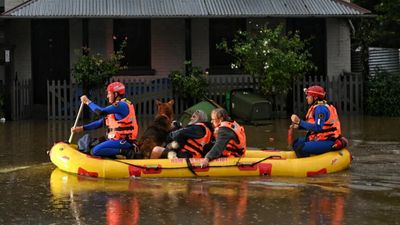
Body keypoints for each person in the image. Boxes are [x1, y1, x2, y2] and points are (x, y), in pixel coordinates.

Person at [71, 82, 140, 159]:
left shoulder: (121, 105)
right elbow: (101, 122)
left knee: (95, 151)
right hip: (116, 140)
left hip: (124, 141)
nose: (107, 96)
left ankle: (125, 151)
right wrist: (81, 128)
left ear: (116, 94)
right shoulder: (117, 107)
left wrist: (88, 102)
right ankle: (116, 153)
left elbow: (101, 112)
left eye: (109, 94)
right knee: (92, 146)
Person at [290, 85, 347, 158]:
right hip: (319, 138)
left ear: (315, 97)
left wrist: (299, 121)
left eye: (308, 95)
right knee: (296, 143)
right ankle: (310, 155)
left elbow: (318, 127)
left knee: (300, 147)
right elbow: (314, 125)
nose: (306, 97)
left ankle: (306, 163)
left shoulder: (321, 109)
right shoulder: (316, 107)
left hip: (328, 140)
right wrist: (299, 126)